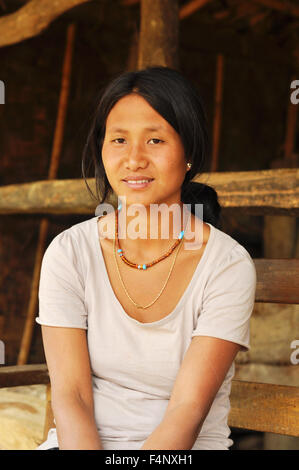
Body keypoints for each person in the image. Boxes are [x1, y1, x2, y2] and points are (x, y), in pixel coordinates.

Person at [35, 66, 257, 450]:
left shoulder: (226, 265)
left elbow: (186, 411)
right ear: (101, 150)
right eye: (118, 140)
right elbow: (72, 395)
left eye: (155, 140)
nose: (134, 159)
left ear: (189, 153)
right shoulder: (70, 253)